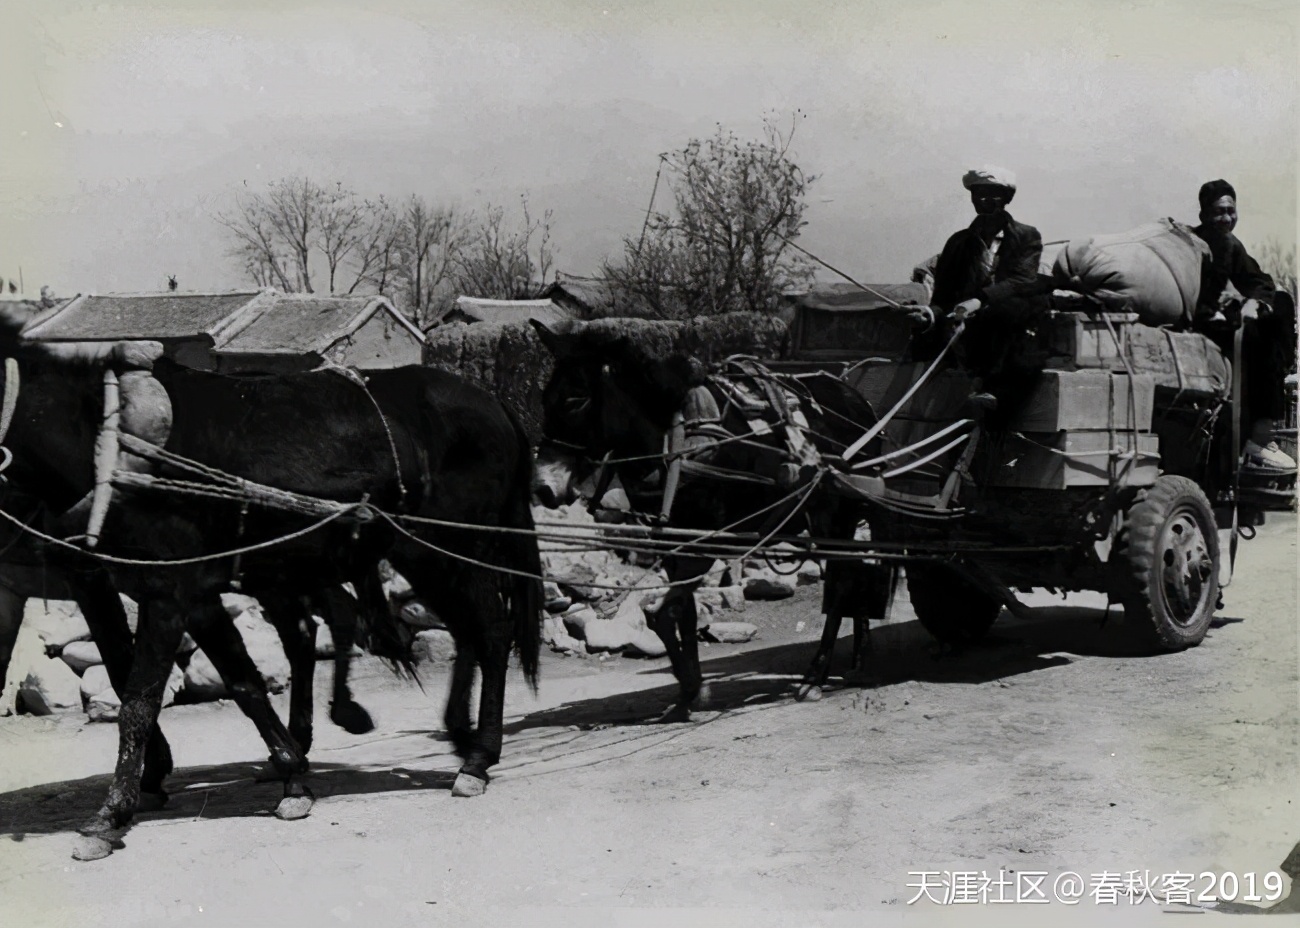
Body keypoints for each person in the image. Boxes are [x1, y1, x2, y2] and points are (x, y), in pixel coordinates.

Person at [908, 166, 1053, 425]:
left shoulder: (1026, 236)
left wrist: (979, 301)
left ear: (1007, 199)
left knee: (1011, 308)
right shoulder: (958, 243)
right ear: (972, 198)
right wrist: (929, 314)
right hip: (967, 328)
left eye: (994, 195)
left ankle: (992, 389)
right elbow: (944, 295)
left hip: (1010, 326)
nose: (985, 201)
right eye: (979, 195)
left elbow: (1020, 280)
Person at [1189, 178, 1296, 473]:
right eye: (1219, 211)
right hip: (1198, 323)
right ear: (1204, 215)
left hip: (1223, 318)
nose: (1226, 218)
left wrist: (1255, 303)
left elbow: (1261, 283)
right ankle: (1259, 437)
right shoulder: (1197, 243)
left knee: (1281, 304)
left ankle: (1265, 422)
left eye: (1231, 211)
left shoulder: (1230, 245)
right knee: (1265, 340)